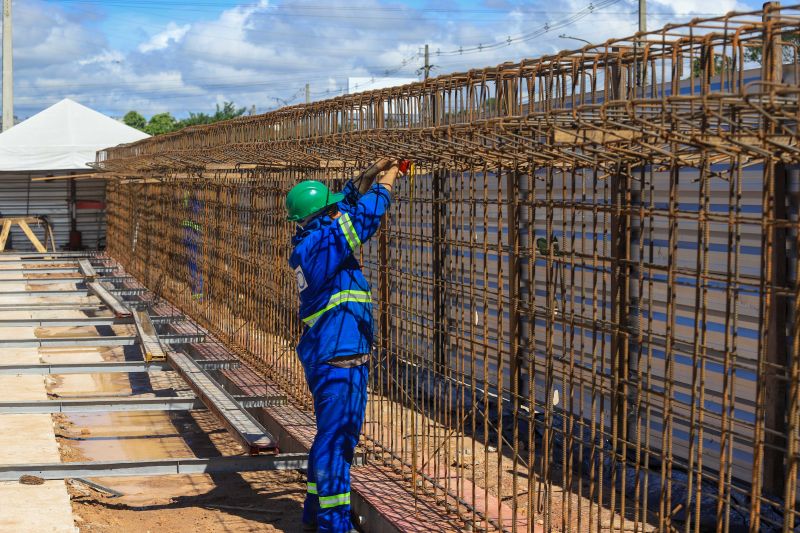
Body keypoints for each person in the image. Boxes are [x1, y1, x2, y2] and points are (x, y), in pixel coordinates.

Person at [285, 158, 407, 533]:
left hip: (333, 353)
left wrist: (362, 181)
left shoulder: (314, 241)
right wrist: (385, 187)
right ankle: (334, 525)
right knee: (337, 441)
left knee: (330, 437)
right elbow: (361, 221)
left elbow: (344, 211)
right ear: (323, 215)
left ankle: (314, 513)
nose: (339, 209)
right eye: (333, 206)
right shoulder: (323, 244)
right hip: (339, 357)